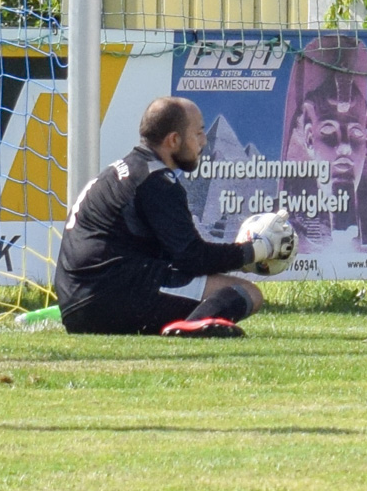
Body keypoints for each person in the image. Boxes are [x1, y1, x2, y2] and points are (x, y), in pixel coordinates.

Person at [56, 97, 295, 337]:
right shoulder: (156, 181)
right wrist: (256, 250)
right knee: (247, 292)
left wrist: (241, 259)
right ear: (173, 140)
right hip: (108, 297)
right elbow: (192, 258)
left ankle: (188, 325)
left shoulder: (125, 170)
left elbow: (178, 256)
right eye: (198, 133)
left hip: (80, 302)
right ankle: (191, 329)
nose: (204, 141)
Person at [280, 34, 367, 252]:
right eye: (328, 130)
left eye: (356, 132)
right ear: (308, 138)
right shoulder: (277, 224)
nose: (344, 147)